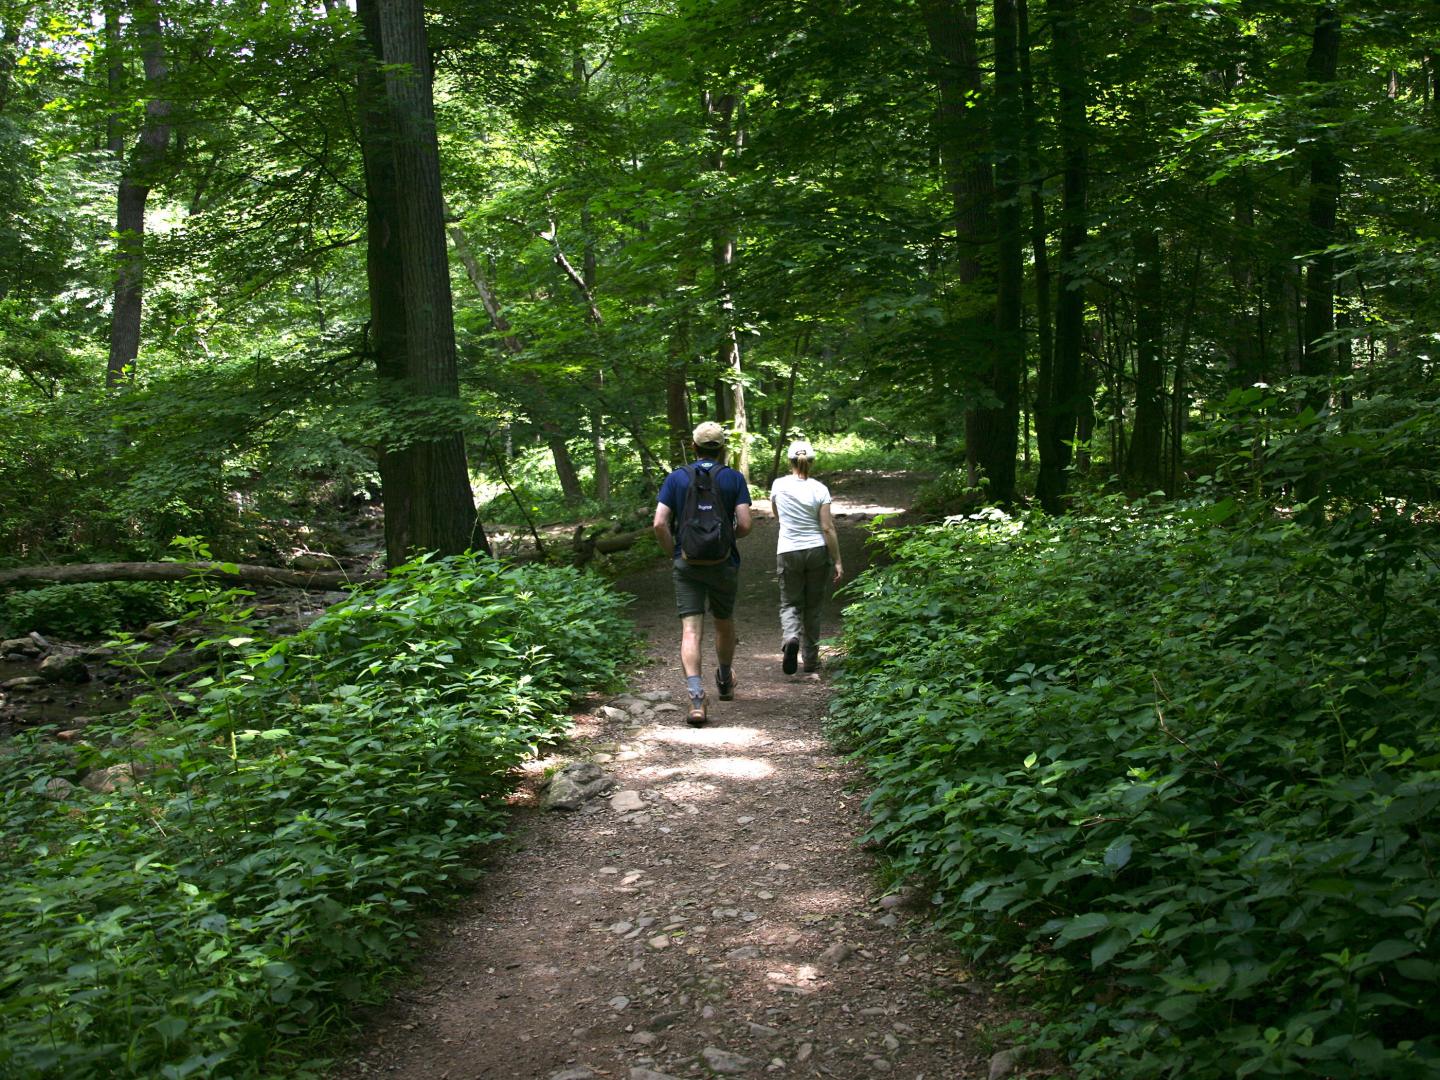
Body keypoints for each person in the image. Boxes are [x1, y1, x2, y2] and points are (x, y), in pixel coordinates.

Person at [653, 421, 753, 725]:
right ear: (722, 448)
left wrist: (675, 551)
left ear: (694, 447)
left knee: (691, 630)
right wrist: (721, 542)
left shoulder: (676, 479)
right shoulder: (733, 478)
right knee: (724, 622)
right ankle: (724, 679)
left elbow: (659, 523)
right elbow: (746, 525)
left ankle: (696, 698)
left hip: (687, 563)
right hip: (724, 563)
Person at [769, 439, 842, 675]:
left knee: (790, 603)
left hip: (788, 550)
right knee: (813, 608)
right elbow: (827, 528)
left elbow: (778, 517)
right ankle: (811, 661)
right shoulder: (820, 489)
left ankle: (791, 637)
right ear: (811, 462)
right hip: (817, 551)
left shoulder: (778, 486)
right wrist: (838, 560)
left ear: (790, 461)